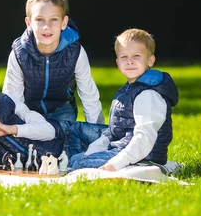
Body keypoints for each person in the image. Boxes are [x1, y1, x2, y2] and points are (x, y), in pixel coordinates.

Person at [2, 0, 106, 158]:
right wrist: (32, 122)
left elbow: (89, 95)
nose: (47, 26)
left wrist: (96, 134)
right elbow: (12, 98)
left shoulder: (76, 52)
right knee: (30, 154)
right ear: (28, 23)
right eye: (39, 20)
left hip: (62, 109)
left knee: (65, 153)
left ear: (64, 22)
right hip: (28, 110)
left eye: (53, 20)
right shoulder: (18, 54)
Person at [68, 28, 179, 172]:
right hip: (123, 150)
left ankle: (159, 168)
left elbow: (145, 138)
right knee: (76, 159)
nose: (130, 62)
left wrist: (117, 163)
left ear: (150, 60)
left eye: (136, 56)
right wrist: (93, 150)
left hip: (143, 158)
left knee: (79, 166)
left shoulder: (148, 95)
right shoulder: (128, 90)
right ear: (117, 62)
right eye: (124, 57)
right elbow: (114, 131)